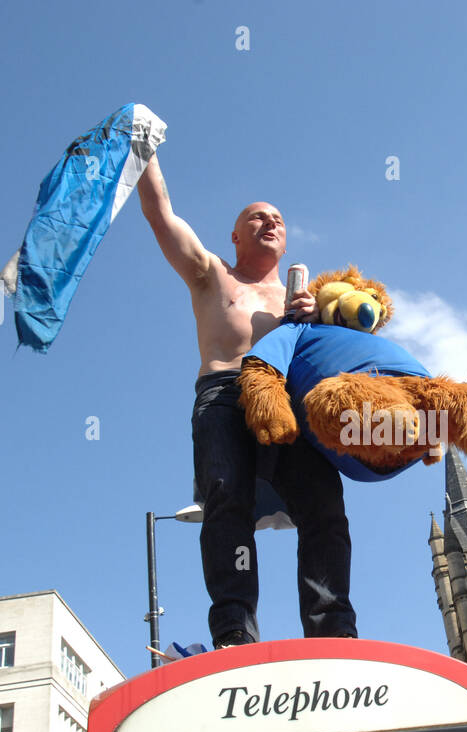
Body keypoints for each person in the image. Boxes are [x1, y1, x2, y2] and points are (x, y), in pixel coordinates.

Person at [135, 155, 357, 648]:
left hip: (288, 402)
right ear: (235, 235)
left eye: (277, 218)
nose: (270, 222)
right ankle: (235, 629)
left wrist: (315, 320)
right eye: (257, 216)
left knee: (324, 508)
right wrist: (141, 148)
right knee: (225, 502)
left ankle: (333, 628)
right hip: (224, 394)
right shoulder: (212, 275)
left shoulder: (309, 300)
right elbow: (159, 212)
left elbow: (349, 356)